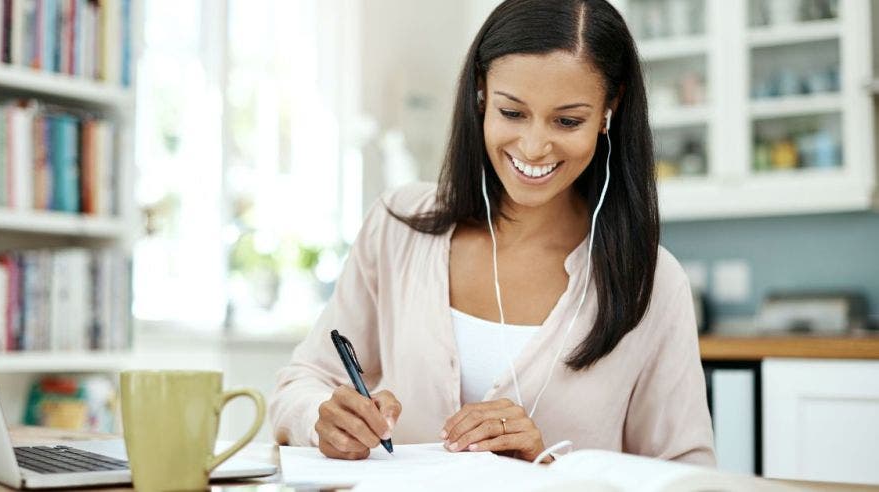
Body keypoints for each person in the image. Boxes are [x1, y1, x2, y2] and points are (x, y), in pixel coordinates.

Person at [269, 0, 715, 465]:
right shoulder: (398, 226)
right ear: (481, 94)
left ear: (610, 108)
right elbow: (302, 379)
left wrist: (549, 469)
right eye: (513, 112)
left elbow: (689, 473)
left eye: (567, 121)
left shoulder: (652, 282)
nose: (534, 146)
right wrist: (321, 418)